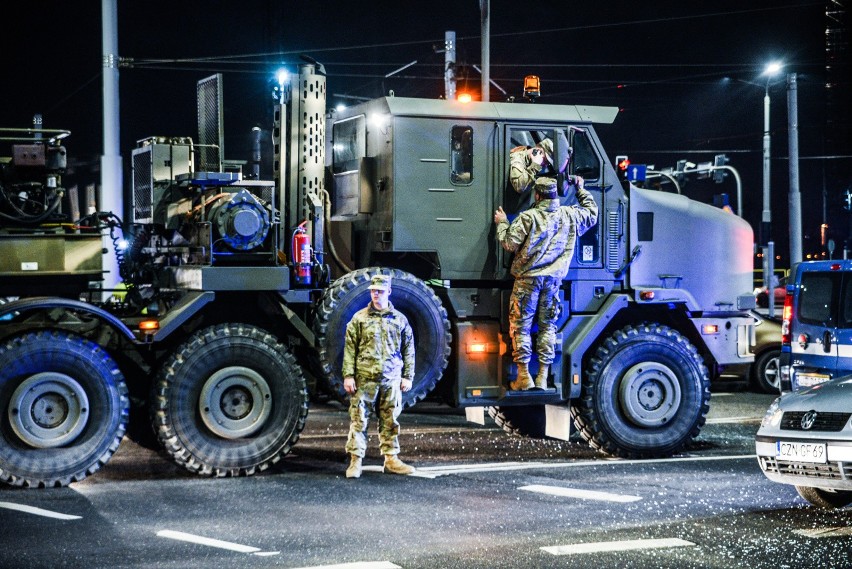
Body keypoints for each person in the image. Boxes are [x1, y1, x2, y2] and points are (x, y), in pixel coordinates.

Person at [493, 176, 598, 390]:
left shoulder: (528, 217)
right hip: (553, 283)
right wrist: (581, 189)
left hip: (527, 282)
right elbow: (592, 213)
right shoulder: (570, 215)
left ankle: (524, 376)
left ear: (537, 195)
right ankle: (542, 376)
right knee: (547, 328)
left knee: (521, 328)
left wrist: (502, 222)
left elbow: (509, 243)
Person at [342, 274, 416, 478]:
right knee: (359, 420)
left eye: (380, 291)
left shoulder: (399, 320)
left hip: (391, 378)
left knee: (390, 420)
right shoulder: (359, 318)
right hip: (364, 378)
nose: (376, 294)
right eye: (374, 290)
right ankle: (355, 461)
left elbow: (409, 349)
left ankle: (391, 459)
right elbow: (350, 349)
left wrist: (407, 376)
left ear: (389, 292)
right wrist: (348, 375)